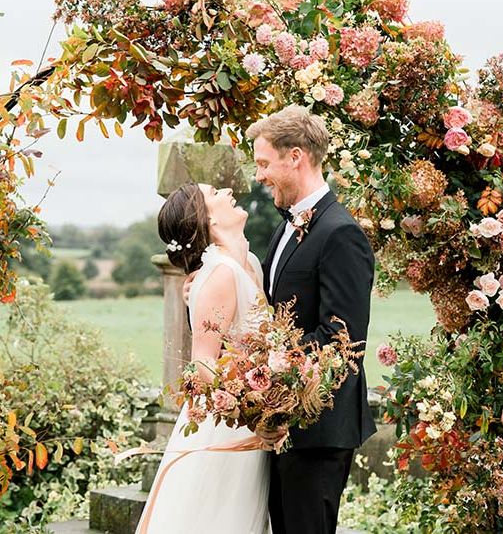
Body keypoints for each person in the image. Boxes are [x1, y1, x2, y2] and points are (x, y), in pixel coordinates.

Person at [246, 105, 377, 534]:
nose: (260, 175)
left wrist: (268, 375)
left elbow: (342, 336)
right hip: (285, 422)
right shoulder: (284, 227)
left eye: (264, 163)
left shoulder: (340, 233)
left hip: (319, 426)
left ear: (296, 155)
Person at [136, 182, 270, 534]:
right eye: (215, 193)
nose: (227, 190)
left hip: (251, 425)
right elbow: (203, 363)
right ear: (207, 219)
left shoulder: (248, 264)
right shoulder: (219, 274)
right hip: (227, 425)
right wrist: (251, 406)